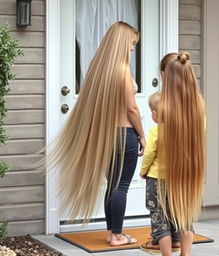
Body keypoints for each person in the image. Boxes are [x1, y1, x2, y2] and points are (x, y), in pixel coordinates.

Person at [38, 21, 146, 246]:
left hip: (107, 136)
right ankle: (117, 235)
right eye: (132, 43)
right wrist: (142, 135)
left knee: (113, 185)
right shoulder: (122, 70)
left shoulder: (100, 71)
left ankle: (111, 233)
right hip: (125, 135)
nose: (133, 48)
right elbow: (132, 108)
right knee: (122, 186)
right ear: (121, 43)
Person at [157, 52, 206, 256]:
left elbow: (157, 142)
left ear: (167, 76)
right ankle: (186, 254)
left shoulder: (164, 107)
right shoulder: (199, 106)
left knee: (161, 219)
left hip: (163, 173)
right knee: (186, 216)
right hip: (190, 171)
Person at [140, 91, 181, 253]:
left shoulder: (156, 131)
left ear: (155, 114)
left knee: (158, 213)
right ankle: (176, 240)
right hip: (176, 179)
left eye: (151, 111)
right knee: (174, 210)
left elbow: (149, 153)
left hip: (156, 179)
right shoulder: (179, 131)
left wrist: (144, 171)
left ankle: (159, 244)